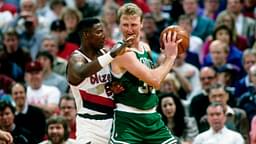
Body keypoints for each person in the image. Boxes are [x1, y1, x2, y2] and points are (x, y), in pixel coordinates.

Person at [109, 3, 180, 143]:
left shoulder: (145, 48)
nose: (129, 30)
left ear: (141, 24)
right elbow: (155, 80)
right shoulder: (122, 52)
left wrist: (164, 60)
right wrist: (171, 58)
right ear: (119, 26)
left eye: (134, 24)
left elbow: (153, 80)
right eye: (125, 25)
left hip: (152, 117)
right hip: (128, 119)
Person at [66, 17, 135, 144]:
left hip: (113, 122)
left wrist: (114, 87)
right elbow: (81, 72)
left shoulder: (104, 54)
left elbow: (109, 83)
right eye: (98, 32)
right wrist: (111, 55)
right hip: (89, 125)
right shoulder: (76, 58)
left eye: (103, 31)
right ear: (86, 35)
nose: (103, 36)